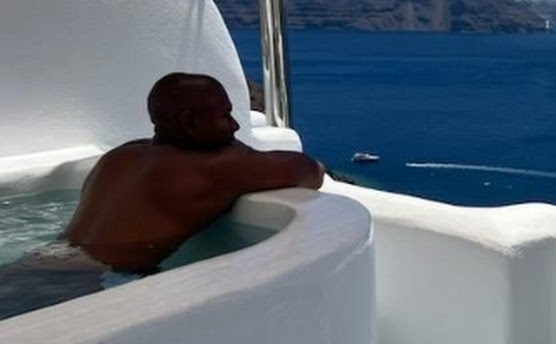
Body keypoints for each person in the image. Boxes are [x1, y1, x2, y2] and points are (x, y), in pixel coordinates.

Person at [0, 73, 324, 319]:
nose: (235, 125)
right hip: (78, 284)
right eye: (225, 114)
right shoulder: (211, 169)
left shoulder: (119, 157)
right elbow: (310, 171)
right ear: (189, 121)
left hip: (37, 263)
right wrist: (235, 151)